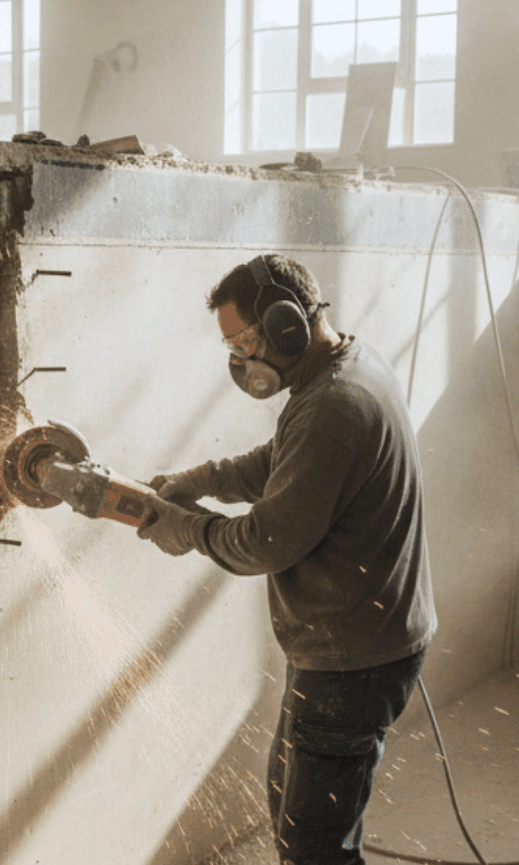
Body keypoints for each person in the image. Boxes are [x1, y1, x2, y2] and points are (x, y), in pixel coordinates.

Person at [136, 254, 435, 865]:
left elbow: (265, 543)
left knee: (315, 847)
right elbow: (283, 459)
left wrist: (185, 529)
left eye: (244, 342)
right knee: (292, 803)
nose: (240, 361)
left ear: (286, 325)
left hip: (354, 659)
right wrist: (201, 479)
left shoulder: (333, 405)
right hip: (352, 640)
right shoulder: (344, 368)